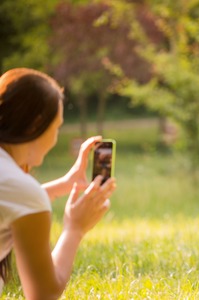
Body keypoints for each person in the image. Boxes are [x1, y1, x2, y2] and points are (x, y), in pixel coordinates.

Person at [0, 68, 116, 299]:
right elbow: (42, 294)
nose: (56, 136)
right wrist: (74, 229)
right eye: (57, 127)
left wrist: (65, 184)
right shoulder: (22, 191)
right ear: (37, 125)